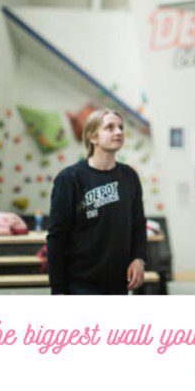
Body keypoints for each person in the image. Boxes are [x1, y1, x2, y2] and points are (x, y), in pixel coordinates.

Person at [47, 109, 147, 295]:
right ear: (93, 137)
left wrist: (139, 258)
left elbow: (138, 224)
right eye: (109, 127)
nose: (118, 132)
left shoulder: (129, 176)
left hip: (119, 284)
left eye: (120, 127)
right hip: (80, 285)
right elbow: (56, 236)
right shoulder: (69, 178)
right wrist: (57, 289)